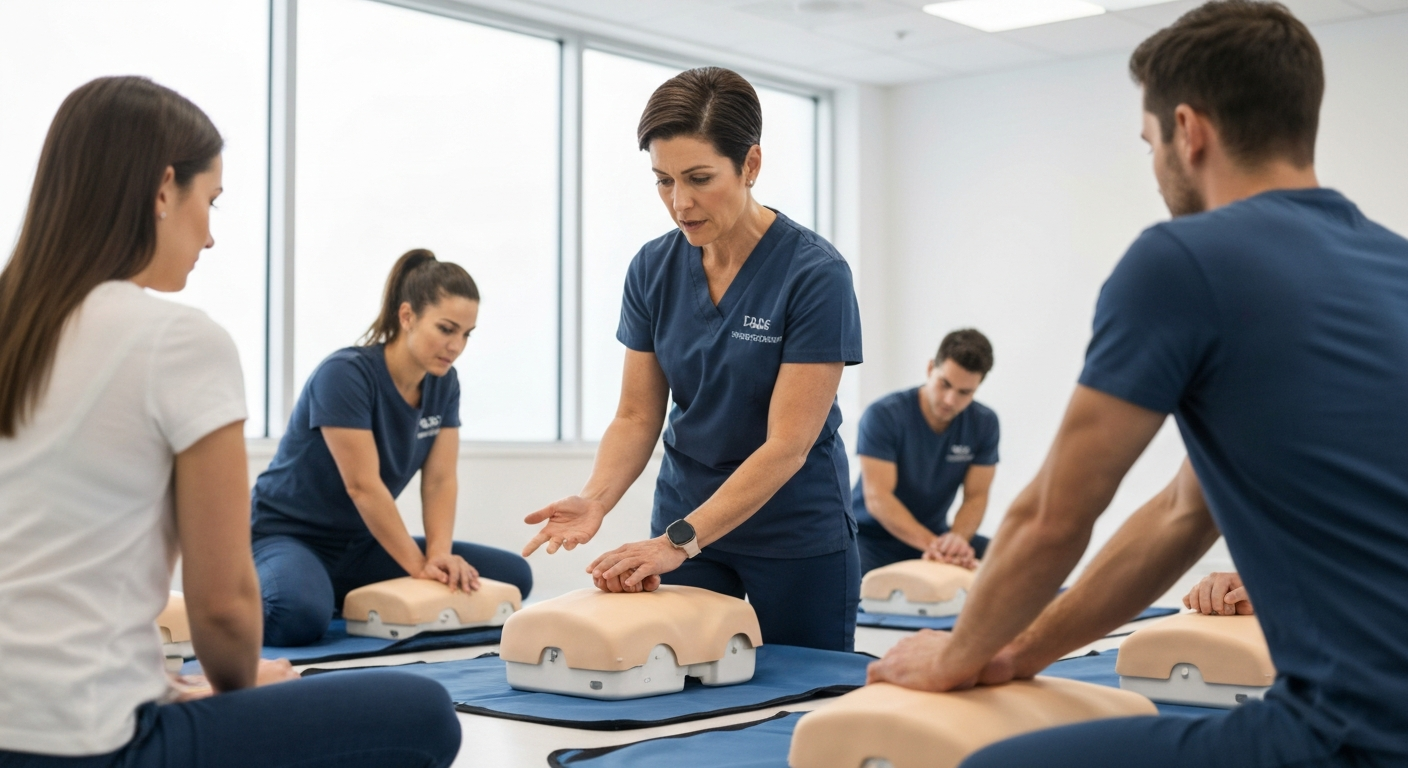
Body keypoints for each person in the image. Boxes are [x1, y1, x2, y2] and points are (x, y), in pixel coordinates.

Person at [866, 2, 1408, 766]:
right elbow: (1184, 511)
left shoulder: (1182, 260)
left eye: (1150, 143)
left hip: (1355, 734)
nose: (1155, 168)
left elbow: (1055, 514)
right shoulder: (1393, 264)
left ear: (1189, 132)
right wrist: (1019, 651)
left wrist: (958, 656)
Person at [0, 76, 458, 767]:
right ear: (162, 191)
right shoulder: (180, 341)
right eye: (209, 202)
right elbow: (221, 603)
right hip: (82, 746)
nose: (210, 236)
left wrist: (162, 685)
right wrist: (239, 693)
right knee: (425, 711)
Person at [522, 66, 864, 652]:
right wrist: (596, 500)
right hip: (685, 517)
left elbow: (788, 444)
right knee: (689, 693)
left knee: (808, 704)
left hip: (792, 531)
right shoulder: (653, 269)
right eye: (663, 180)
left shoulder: (814, 274)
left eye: (700, 178)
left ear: (750, 165)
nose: (680, 203)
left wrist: (678, 540)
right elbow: (635, 416)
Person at [250, 249, 533, 647]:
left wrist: (438, 555)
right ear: (407, 316)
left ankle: (325, 591)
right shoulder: (344, 375)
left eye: (466, 334)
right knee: (296, 616)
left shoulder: (444, 384)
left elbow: (439, 481)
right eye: (446, 328)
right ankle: (285, 585)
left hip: (361, 544)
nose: (456, 346)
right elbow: (362, 486)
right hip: (286, 536)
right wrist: (418, 568)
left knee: (514, 577)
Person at [853, 329, 998, 573]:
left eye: (965, 392)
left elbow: (976, 496)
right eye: (945, 384)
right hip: (870, 538)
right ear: (931, 368)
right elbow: (879, 498)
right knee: (857, 586)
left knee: (1009, 559)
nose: (950, 400)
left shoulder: (985, 424)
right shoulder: (883, 415)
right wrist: (935, 546)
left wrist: (957, 541)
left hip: (935, 535)